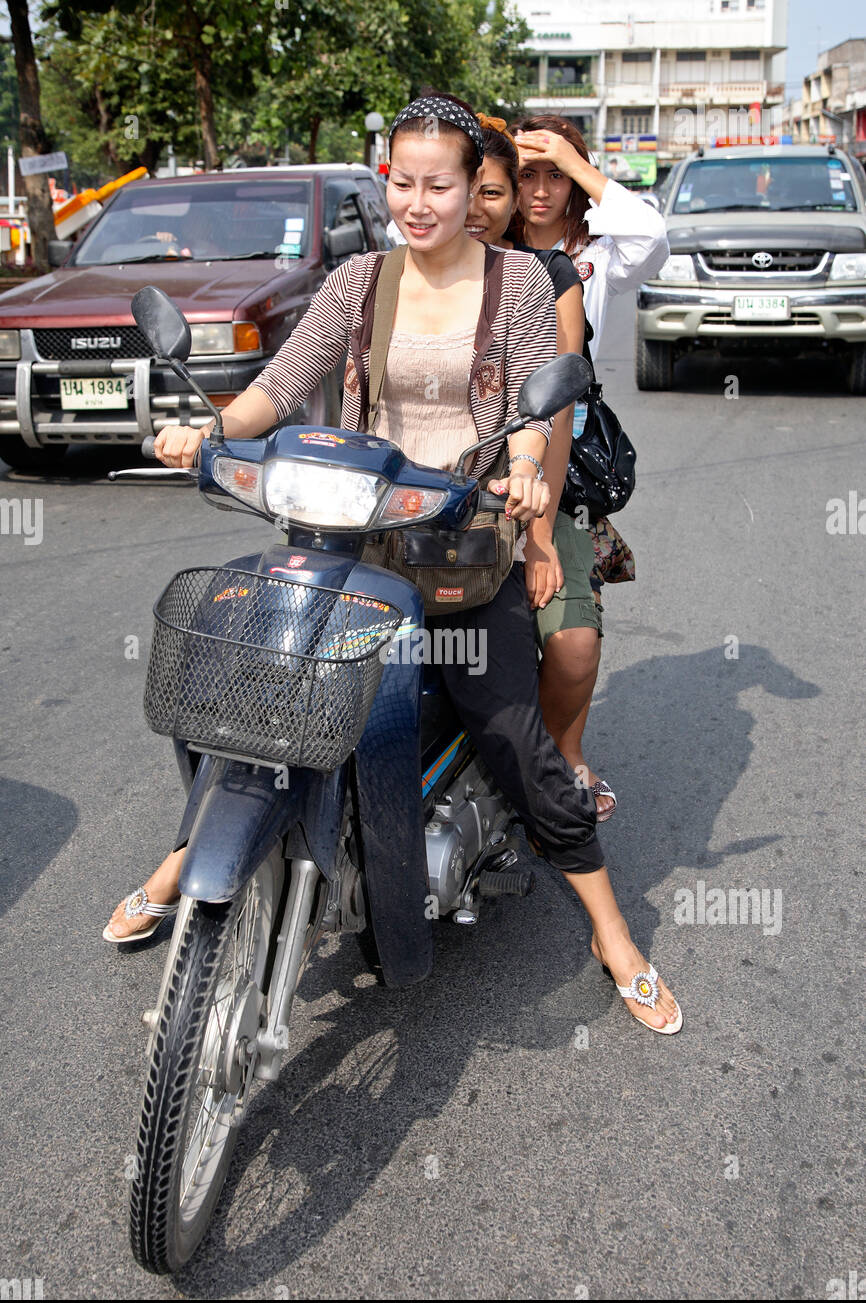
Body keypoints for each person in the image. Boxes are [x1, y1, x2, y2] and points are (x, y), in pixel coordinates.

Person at [104, 93, 680, 1035]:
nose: (420, 203)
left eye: (439, 185)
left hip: (460, 547)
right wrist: (208, 431)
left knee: (517, 747)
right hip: (347, 532)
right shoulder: (359, 281)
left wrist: (527, 474)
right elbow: (282, 387)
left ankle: (614, 935)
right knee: (259, 690)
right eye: (402, 183)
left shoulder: (521, 286)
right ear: (388, 183)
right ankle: (186, 859)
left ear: (469, 187)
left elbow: (538, 413)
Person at [508, 114, 670, 821]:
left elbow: (653, 236)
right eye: (526, 175)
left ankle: (564, 752)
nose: (540, 191)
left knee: (572, 635)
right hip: (476, 450)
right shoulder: (481, 246)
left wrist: (577, 162)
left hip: (562, 454)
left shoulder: (595, 253)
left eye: (556, 177)